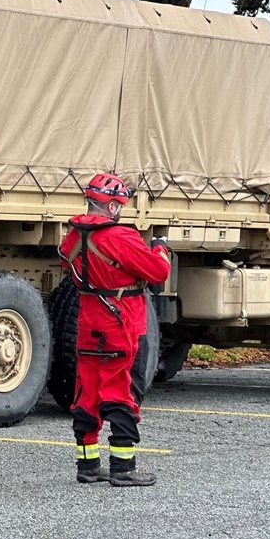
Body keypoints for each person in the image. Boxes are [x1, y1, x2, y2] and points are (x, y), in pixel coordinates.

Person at [58, 172, 172, 487]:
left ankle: (88, 465)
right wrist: (160, 247)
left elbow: (69, 266)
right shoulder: (121, 237)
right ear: (110, 207)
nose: (121, 211)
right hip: (122, 325)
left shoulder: (71, 238)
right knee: (122, 392)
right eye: (119, 205)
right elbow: (158, 271)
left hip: (88, 325)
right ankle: (123, 468)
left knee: (87, 393)